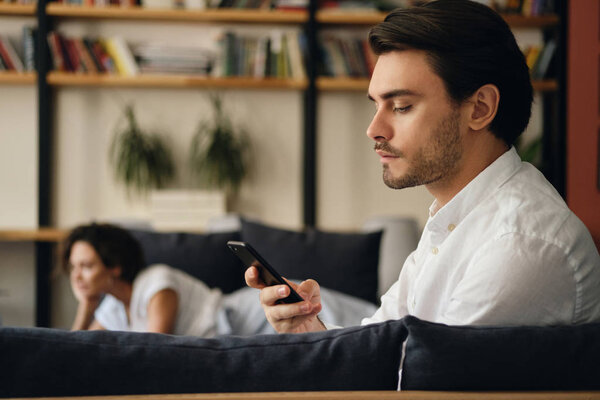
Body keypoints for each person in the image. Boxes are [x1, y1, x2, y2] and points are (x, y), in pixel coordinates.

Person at [246, 0, 600, 334]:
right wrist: (311, 329)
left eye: (400, 106)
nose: (374, 130)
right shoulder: (454, 222)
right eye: (377, 105)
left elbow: (420, 383)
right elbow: (381, 349)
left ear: (480, 108)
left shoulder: (520, 245)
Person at [64, 223, 376, 335]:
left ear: (114, 266)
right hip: (247, 332)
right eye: (73, 267)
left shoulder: (156, 284)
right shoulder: (113, 307)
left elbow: (154, 349)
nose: (76, 276)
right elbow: (76, 350)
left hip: (245, 315)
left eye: (86, 266)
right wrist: (87, 305)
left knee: (351, 322)